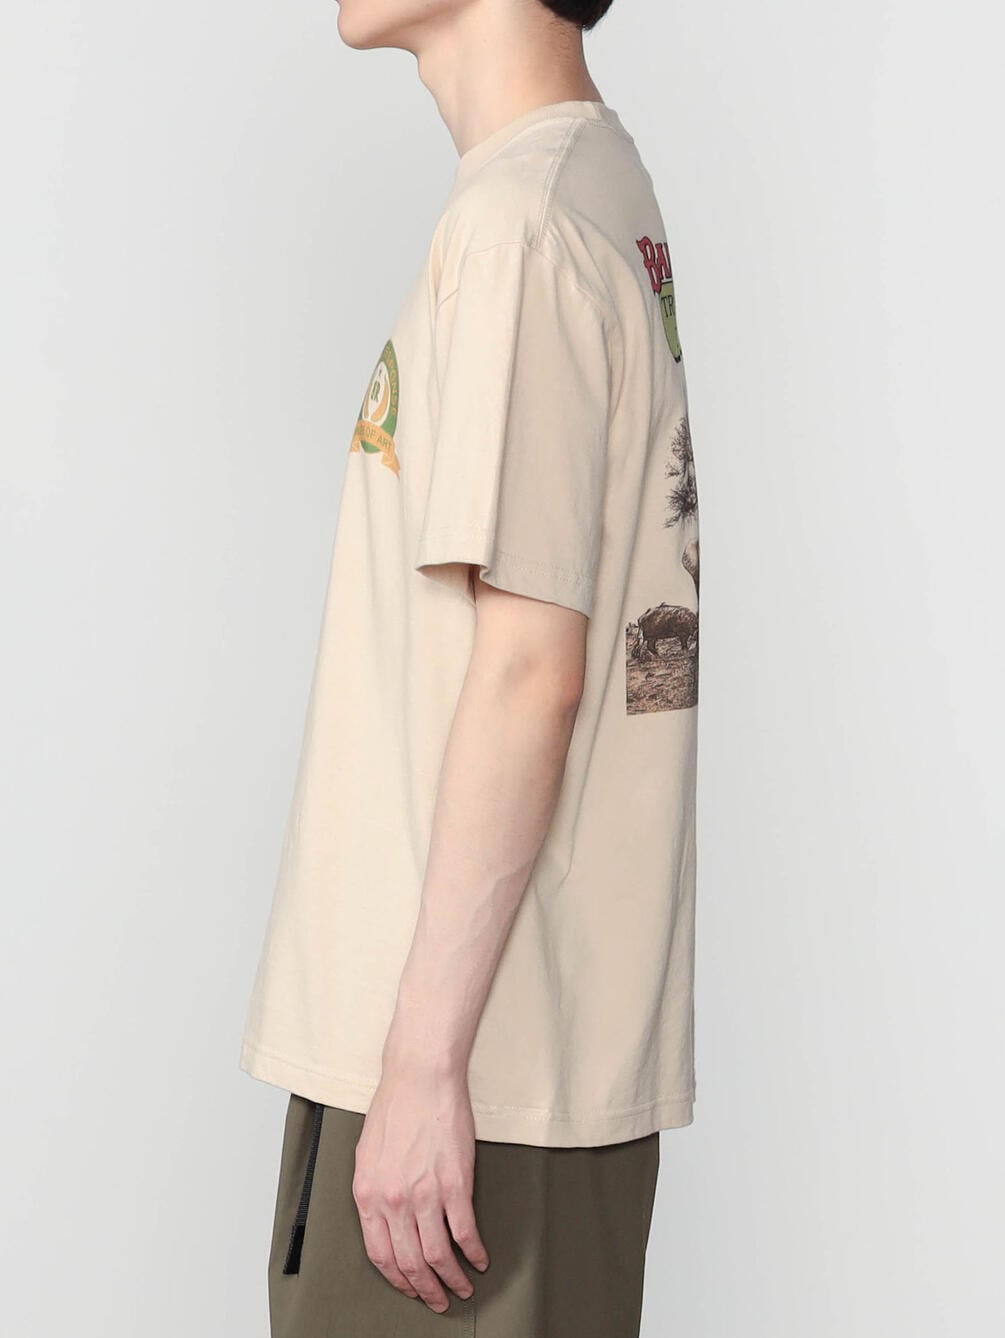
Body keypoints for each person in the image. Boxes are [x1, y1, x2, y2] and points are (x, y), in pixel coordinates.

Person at [239, 1, 701, 1333]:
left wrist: (424, 1065)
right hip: (503, 1064)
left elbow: (531, 668)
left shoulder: (519, 230)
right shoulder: (586, 187)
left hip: (460, 1085)